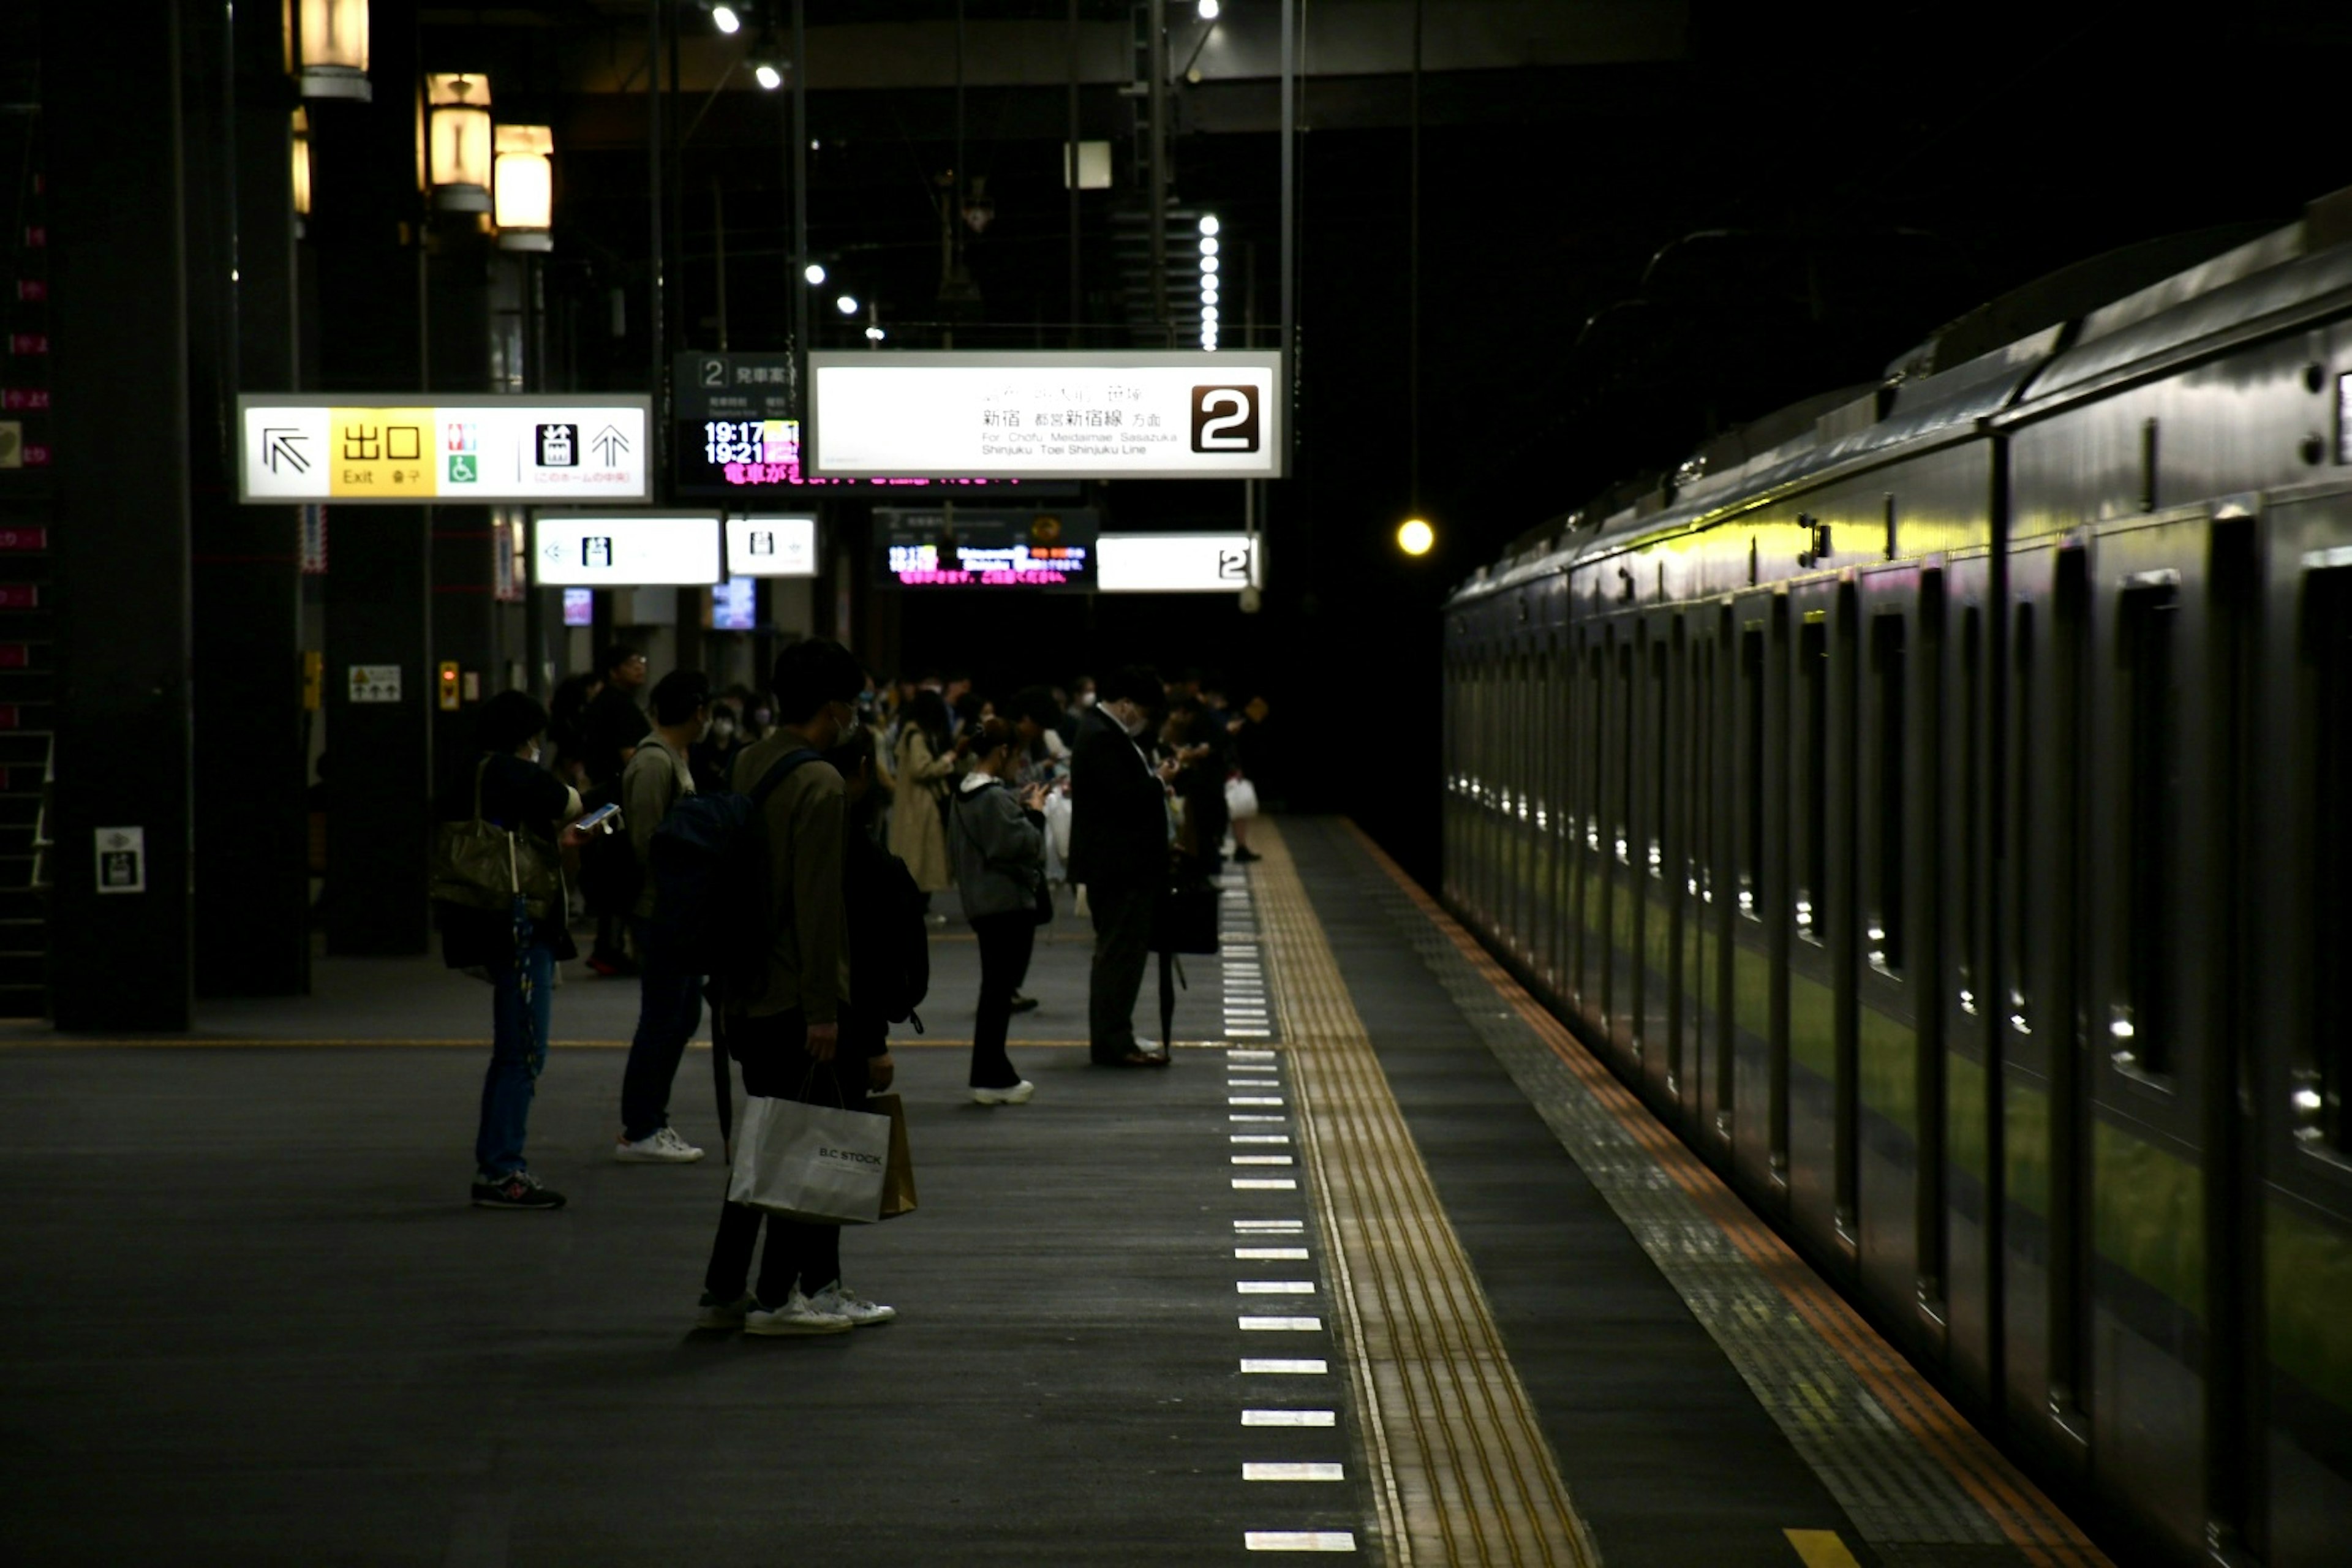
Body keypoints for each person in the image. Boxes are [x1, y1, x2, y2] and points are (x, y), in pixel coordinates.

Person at [698, 639, 899, 1336]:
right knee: (802, 1142)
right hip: (794, 995)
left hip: (745, 987)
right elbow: (819, 908)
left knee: (763, 1139)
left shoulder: (748, 759)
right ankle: (782, 1298)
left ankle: (725, 1290)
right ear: (836, 706)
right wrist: (824, 1010)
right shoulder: (820, 783)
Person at [435, 690, 594, 1210]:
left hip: (482, 917)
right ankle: (502, 1170)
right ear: (527, 736)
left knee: (512, 1049)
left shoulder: (469, 772)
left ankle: (498, 1163)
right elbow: (570, 802)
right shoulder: (513, 772)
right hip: (520, 923)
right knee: (523, 1051)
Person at [614, 669, 713, 1164]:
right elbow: (648, 842)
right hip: (662, 910)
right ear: (698, 711)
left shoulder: (669, 758)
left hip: (680, 910)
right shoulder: (654, 764)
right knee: (662, 1017)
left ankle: (652, 1119)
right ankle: (641, 1126)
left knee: (681, 1014)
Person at [1069, 665, 1176, 1068]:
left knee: (1122, 955)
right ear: (1127, 704)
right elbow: (1123, 799)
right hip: (1117, 867)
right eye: (1145, 711)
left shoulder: (1102, 732)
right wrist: (1159, 781)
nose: (1145, 720)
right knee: (1119, 956)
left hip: (1119, 865)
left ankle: (1119, 1032)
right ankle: (1113, 1042)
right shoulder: (1101, 737)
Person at [952, 718, 1048, 1104]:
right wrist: (1035, 813)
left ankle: (991, 1072)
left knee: (994, 989)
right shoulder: (991, 797)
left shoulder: (965, 791)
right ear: (1004, 751)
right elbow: (1018, 843)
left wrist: (1018, 806)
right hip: (1003, 902)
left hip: (980, 900)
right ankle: (992, 1075)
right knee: (997, 991)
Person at [581, 644, 652, 974]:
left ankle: (608, 948)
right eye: (631, 662)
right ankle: (611, 949)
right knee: (623, 877)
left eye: (640, 660)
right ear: (613, 671)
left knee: (612, 876)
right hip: (619, 802)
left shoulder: (603, 704)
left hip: (603, 799)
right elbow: (631, 757)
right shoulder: (619, 707)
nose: (639, 667)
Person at [889, 688, 956, 917]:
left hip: (912, 803)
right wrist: (947, 761)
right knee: (921, 858)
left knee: (916, 857)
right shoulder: (917, 737)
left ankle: (918, 905)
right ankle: (919, 906)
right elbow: (922, 769)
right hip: (920, 804)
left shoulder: (908, 734)